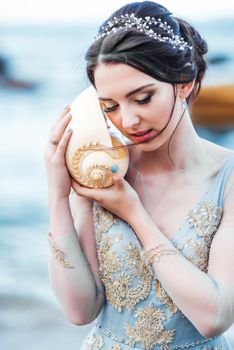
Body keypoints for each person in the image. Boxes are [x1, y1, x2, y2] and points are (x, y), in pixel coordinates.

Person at [44, 1, 234, 349]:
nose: (128, 122)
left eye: (143, 98)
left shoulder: (228, 178)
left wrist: (134, 213)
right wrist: (59, 197)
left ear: (184, 83)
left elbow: (215, 317)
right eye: (110, 107)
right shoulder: (107, 170)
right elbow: (79, 309)